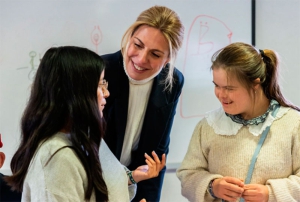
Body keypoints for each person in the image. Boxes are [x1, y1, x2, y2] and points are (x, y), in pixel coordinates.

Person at [4, 46, 166, 202]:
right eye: (100, 85)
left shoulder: (85, 135)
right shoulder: (56, 160)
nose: (106, 93)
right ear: (77, 93)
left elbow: (102, 185)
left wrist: (132, 176)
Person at [177, 42, 300, 202]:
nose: (221, 94)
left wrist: (270, 193)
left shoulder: (292, 124)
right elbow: (187, 176)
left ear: (255, 84)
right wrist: (212, 187)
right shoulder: (208, 125)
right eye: (216, 86)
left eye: (229, 88)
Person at [101, 5, 184, 202]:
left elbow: (158, 152)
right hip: (97, 185)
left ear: (168, 59)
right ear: (129, 37)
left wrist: (148, 198)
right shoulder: (102, 70)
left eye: (155, 54)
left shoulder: (171, 82)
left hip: (137, 185)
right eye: (137, 45)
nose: (141, 59)